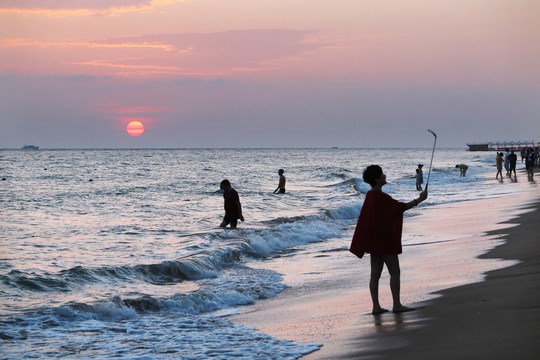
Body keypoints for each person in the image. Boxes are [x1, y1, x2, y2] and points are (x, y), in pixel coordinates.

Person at [350, 165, 428, 315]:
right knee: (395, 272)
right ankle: (397, 305)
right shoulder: (380, 197)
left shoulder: (370, 195)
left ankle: (376, 307)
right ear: (377, 179)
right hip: (384, 240)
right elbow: (400, 207)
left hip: (374, 242)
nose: (385, 176)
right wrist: (419, 200)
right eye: (382, 174)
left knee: (374, 275)